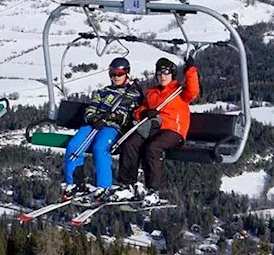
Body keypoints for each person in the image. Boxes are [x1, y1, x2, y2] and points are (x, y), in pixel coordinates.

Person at [112, 55, 200, 205]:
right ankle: (127, 184)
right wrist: (143, 113)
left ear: (172, 74)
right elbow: (142, 109)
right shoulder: (152, 92)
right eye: (159, 73)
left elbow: (193, 91)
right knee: (130, 144)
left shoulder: (179, 91)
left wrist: (190, 70)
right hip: (152, 127)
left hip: (173, 130)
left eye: (166, 73)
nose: (162, 76)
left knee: (153, 148)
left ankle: (153, 190)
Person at [61, 57, 143, 199]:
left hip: (112, 128)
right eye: (112, 73)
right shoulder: (103, 92)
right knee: (74, 146)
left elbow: (129, 116)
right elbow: (91, 108)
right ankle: (75, 183)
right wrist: (93, 118)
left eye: (119, 73)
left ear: (126, 73)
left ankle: (104, 186)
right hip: (94, 125)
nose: (115, 77)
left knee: (100, 148)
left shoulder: (132, 94)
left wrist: (114, 116)